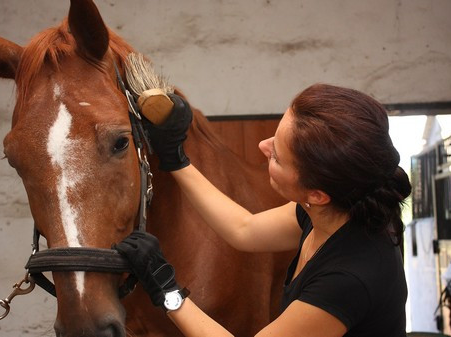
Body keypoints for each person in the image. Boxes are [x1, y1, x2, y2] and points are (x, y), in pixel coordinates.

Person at [115, 84, 411, 337]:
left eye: (278, 157)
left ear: (317, 194)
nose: (263, 145)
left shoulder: (349, 278)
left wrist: (166, 290)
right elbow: (244, 229)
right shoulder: (331, 211)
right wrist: (175, 157)